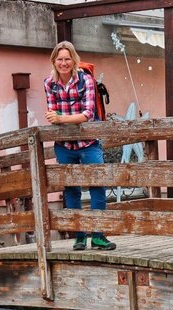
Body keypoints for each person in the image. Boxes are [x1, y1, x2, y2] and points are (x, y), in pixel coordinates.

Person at [43, 41, 116, 251]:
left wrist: (62, 119)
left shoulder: (86, 81)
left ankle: (99, 235)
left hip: (89, 142)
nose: (63, 63)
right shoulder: (49, 83)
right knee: (71, 189)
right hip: (64, 145)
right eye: (60, 59)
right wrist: (66, 118)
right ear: (54, 62)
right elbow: (51, 114)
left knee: (97, 185)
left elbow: (87, 114)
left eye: (67, 59)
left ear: (74, 60)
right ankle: (79, 236)